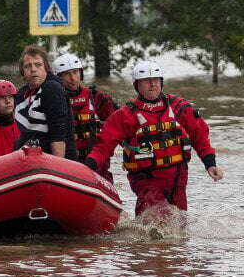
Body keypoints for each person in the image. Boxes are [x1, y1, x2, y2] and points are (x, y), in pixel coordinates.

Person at [84, 61, 223, 220]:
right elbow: (104, 145)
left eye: (156, 80)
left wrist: (210, 164)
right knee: (156, 219)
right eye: (146, 81)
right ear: (137, 85)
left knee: (179, 225)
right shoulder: (126, 115)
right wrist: (89, 166)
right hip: (146, 179)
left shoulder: (178, 107)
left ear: (161, 82)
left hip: (178, 178)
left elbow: (200, 134)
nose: (152, 84)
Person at [13, 45, 77, 159]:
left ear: (46, 68)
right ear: (23, 72)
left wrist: (57, 167)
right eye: (28, 66)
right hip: (27, 158)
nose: (33, 69)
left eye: (38, 65)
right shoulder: (21, 94)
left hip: (52, 161)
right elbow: (23, 133)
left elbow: (58, 132)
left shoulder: (52, 88)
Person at [53, 53, 117, 160]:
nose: (73, 78)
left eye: (75, 72)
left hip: (94, 158)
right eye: (67, 74)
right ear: (58, 78)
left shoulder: (96, 97)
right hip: (66, 160)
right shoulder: (52, 100)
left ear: (81, 73)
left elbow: (118, 123)